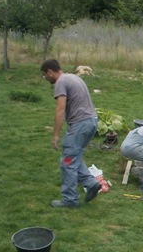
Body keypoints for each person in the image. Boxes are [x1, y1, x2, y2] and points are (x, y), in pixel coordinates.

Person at [41, 59, 102, 208]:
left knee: (67, 162)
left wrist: (55, 135)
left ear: (50, 71)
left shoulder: (61, 82)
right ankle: (91, 183)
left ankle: (70, 199)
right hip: (91, 121)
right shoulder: (74, 77)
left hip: (80, 125)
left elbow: (60, 109)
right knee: (74, 156)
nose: (45, 78)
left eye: (44, 74)